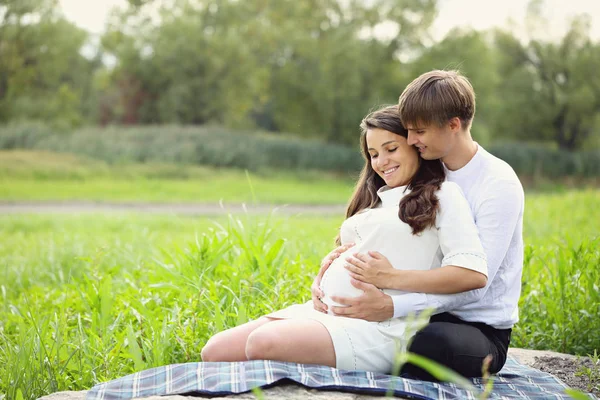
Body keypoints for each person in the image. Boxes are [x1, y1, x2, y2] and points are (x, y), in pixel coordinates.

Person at [201, 105, 489, 374]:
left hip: (381, 325)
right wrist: (321, 280)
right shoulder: (376, 199)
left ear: (414, 146)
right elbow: (352, 252)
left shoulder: (443, 195)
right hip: (327, 311)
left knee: (262, 343)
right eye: (374, 154)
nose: (381, 162)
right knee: (215, 350)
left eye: (391, 149)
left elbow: (472, 275)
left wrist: (390, 277)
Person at [321, 70, 524, 380]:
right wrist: (328, 279)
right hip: (416, 313)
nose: (411, 139)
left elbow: (474, 288)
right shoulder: (424, 169)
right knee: (350, 326)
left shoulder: (497, 183)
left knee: (429, 344)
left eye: (419, 131)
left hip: (474, 328)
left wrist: (393, 303)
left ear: (453, 125)